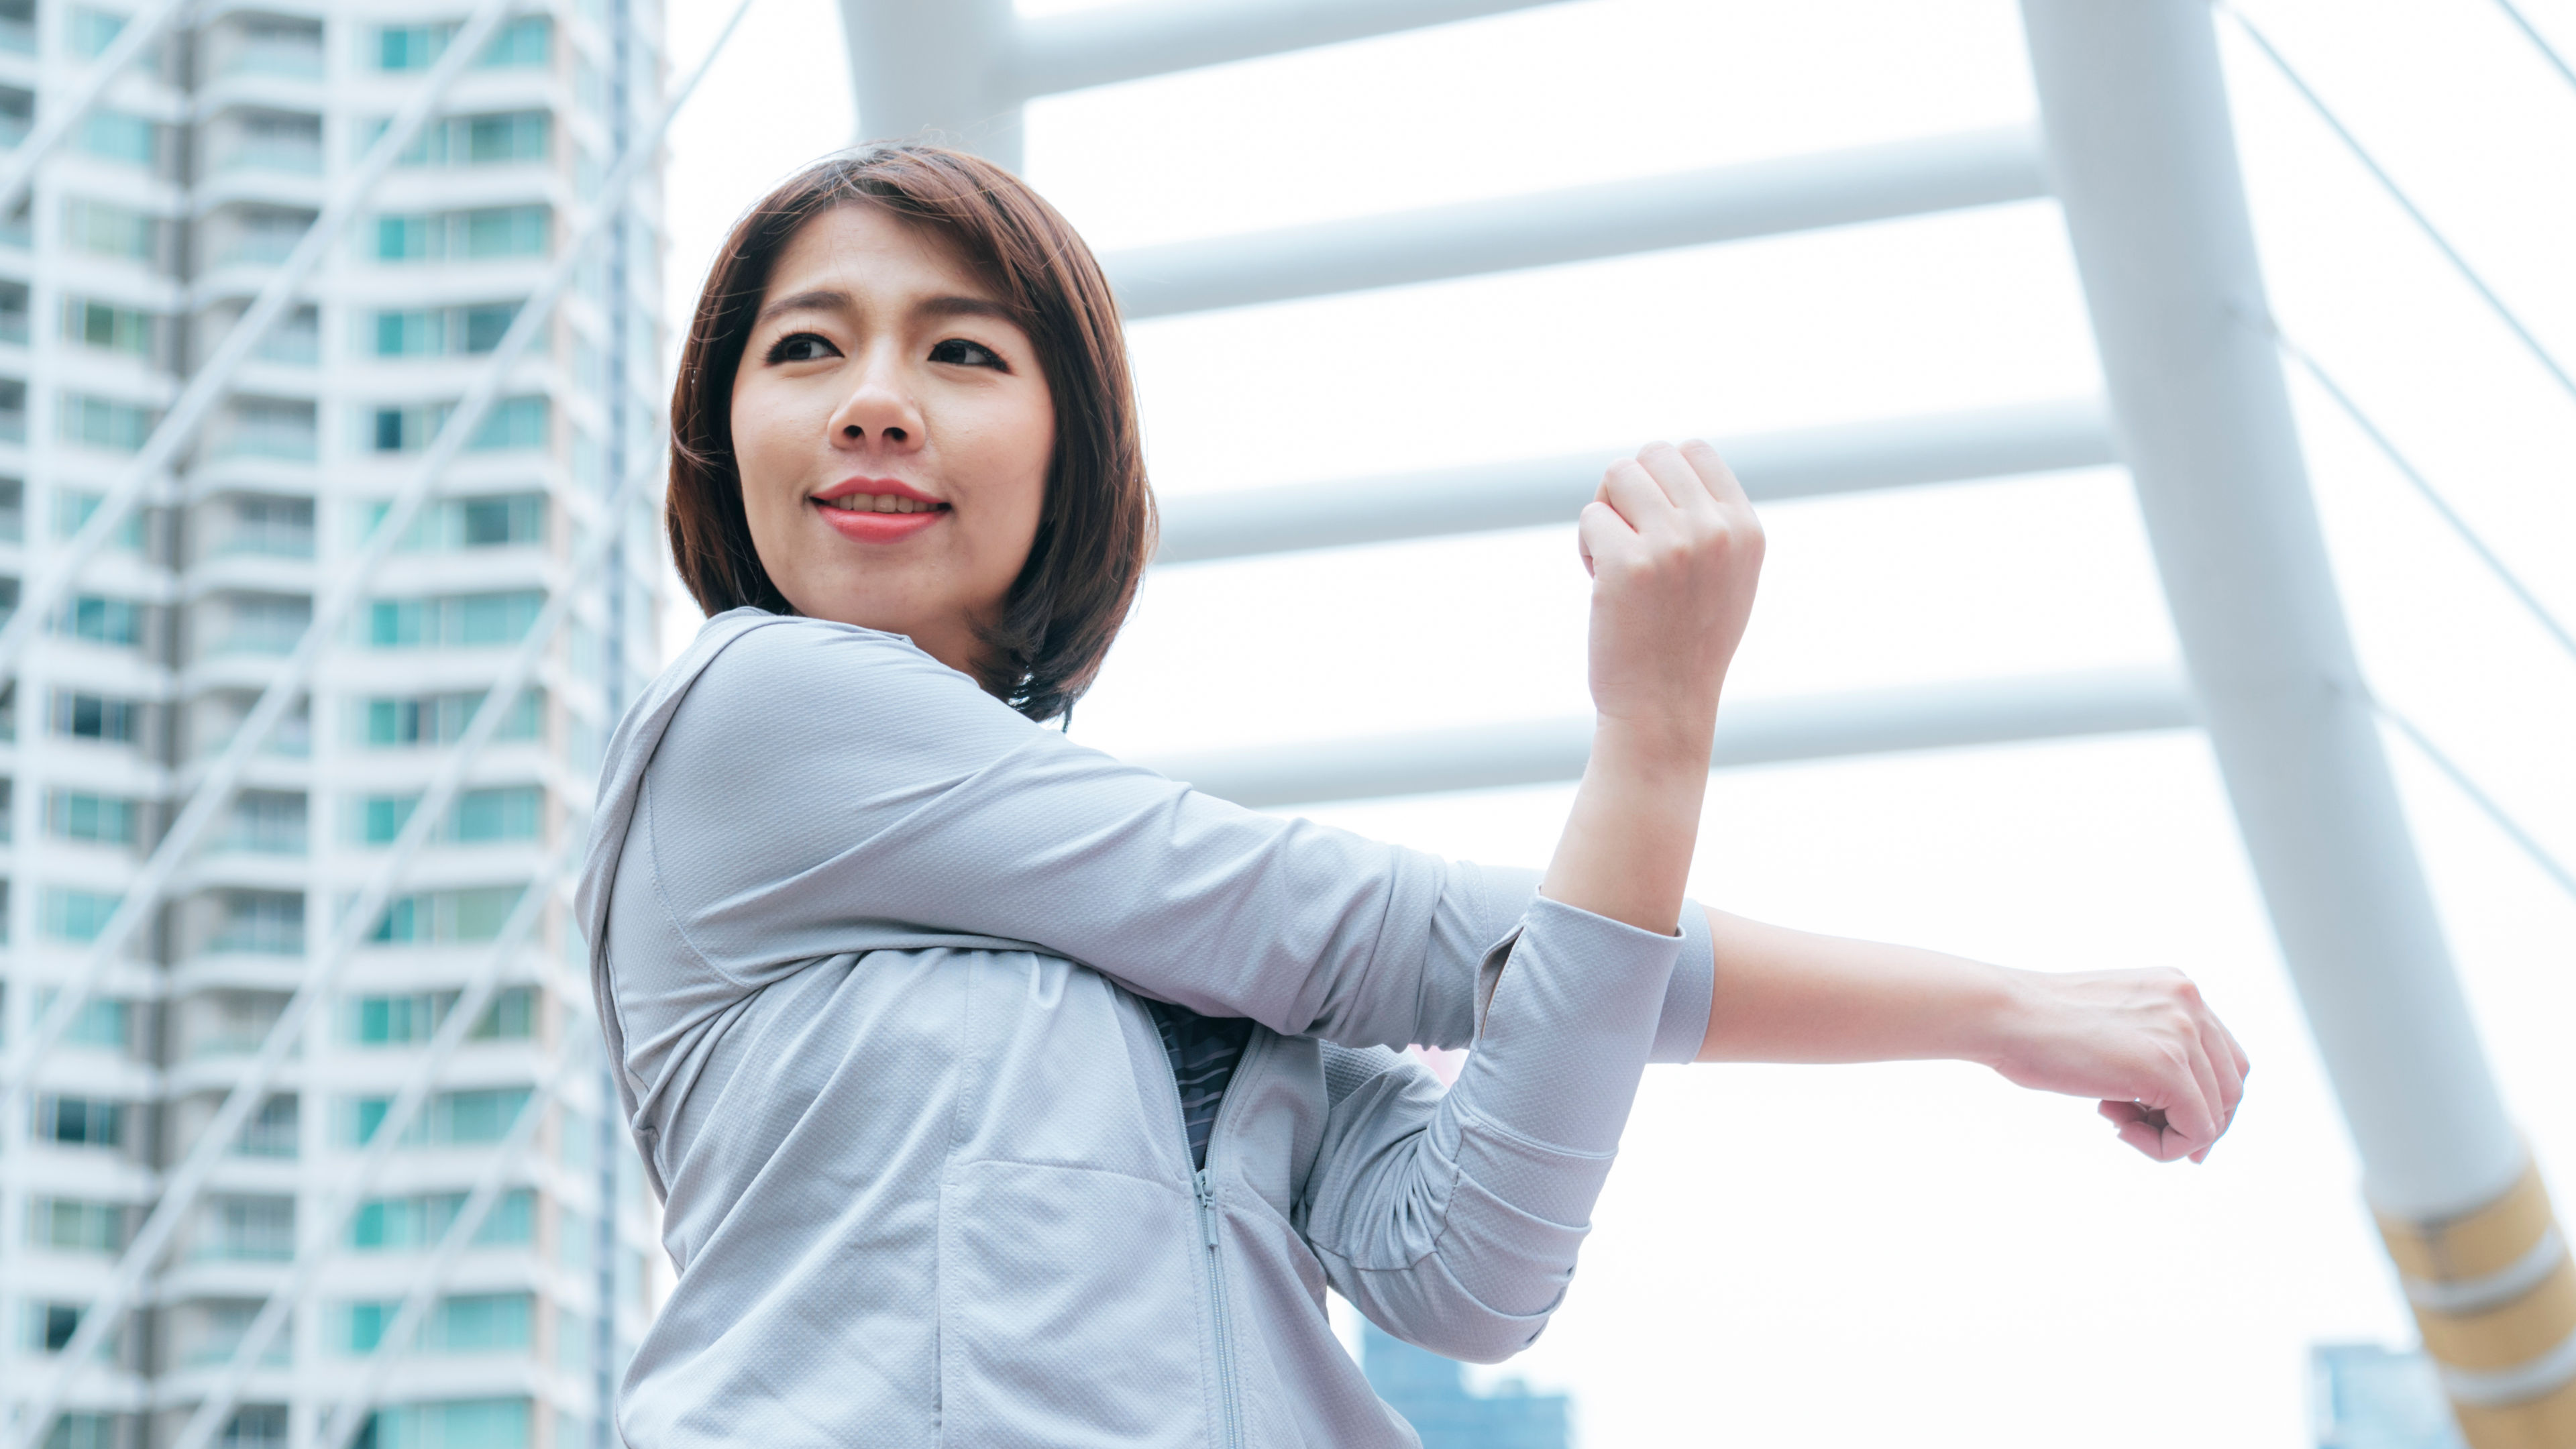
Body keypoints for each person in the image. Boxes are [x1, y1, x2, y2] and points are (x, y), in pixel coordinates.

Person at [574, 144, 2247, 1448]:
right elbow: (1374, 933)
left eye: (961, 351)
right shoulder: (755, 717)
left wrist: (1653, 750)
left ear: (1071, 455)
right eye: (807, 348)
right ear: (725, 438)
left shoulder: (1160, 951)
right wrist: (1998, 1006)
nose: (876, 396)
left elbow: (1466, 1266)